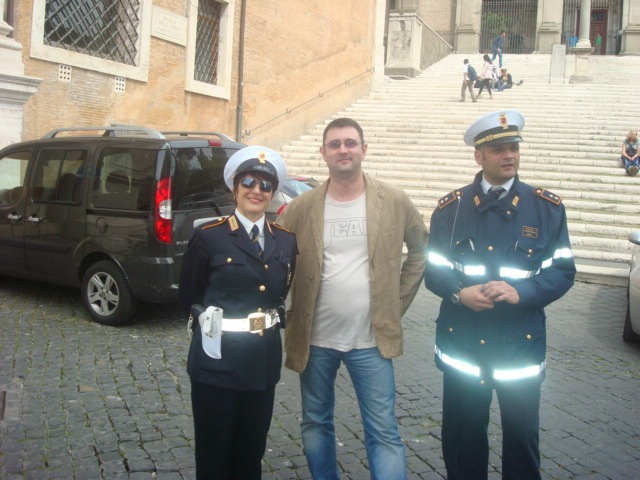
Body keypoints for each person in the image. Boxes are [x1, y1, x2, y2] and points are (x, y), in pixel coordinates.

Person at [424, 110, 576, 480]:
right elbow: (434, 270)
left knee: (522, 441)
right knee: (462, 439)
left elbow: (562, 271)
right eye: (499, 150)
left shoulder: (546, 208)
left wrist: (521, 291)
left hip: (518, 347)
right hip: (464, 347)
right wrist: (459, 292)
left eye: (514, 148)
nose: (509, 155)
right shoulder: (450, 209)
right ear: (479, 156)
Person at [277, 117, 429, 480]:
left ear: (364, 149)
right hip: (315, 339)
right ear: (323, 152)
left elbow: (421, 249)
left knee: (384, 430)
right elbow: (276, 259)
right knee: (315, 421)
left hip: (371, 340)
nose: (342, 150)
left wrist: (397, 303)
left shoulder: (393, 200)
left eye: (350, 142)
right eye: (334, 144)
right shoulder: (302, 207)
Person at [179, 145, 298, 480]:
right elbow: (189, 295)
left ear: (273, 193)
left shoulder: (286, 241)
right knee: (214, 452)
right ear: (235, 188)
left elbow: (279, 294)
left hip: (262, 361)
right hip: (216, 362)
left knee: (251, 451)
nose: (256, 190)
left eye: (265, 185)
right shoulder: (209, 237)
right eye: (248, 182)